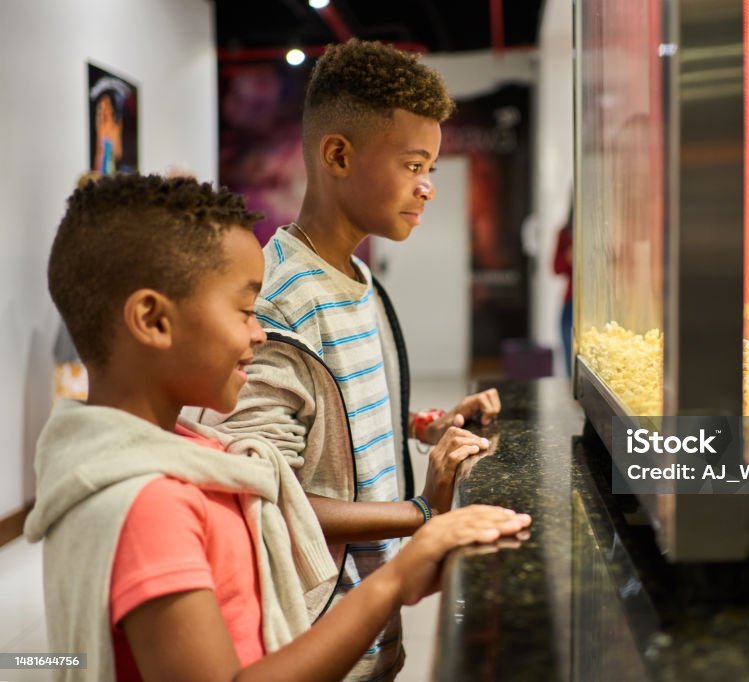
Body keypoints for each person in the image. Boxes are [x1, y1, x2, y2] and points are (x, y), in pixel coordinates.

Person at [24, 174, 530, 682]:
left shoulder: (195, 449)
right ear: (154, 321)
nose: (259, 331)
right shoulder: (151, 507)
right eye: (244, 310)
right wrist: (395, 578)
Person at [195, 39, 502, 681]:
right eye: (414, 163)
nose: (428, 187)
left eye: (433, 168)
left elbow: (343, 419)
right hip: (315, 640)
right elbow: (265, 494)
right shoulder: (279, 303)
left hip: (370, 627)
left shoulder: (358, 275)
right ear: (338, 154)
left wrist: (428, 427)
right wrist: (422, 512)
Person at [553, 207, 573, 375]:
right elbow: (556, 267)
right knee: (569, 353)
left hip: (598, 304)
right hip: (572, 301)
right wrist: (569, 256)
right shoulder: (565, 234)